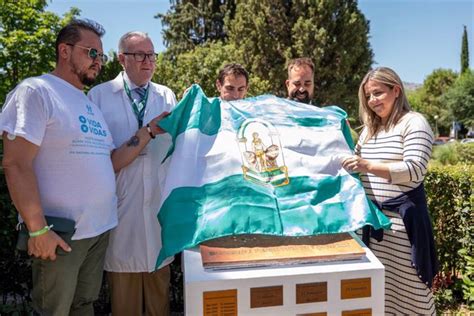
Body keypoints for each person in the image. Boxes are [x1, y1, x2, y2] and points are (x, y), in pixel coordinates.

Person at [0, 19, 117, 315]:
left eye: (101, 56)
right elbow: (15, 163)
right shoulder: (36, 91)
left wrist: (149, 133)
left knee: (83, 306)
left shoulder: (89, 104)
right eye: (92, 53)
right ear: (64, 51)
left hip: (97, 232)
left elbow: (108, 161)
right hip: (60, 236)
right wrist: (37, 230)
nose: (98, 62)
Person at [88, 31, 177, 316]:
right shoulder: (99, 97)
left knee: (159, 304)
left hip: (157, 215)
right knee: (124, 306)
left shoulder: (166, 95)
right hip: (121, 214)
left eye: (151, 55)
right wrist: (147, 131)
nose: (148, 61)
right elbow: (97, 160)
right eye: (140, 55)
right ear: (121, 59)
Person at [342, 67, 437, 315]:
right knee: (380, 296)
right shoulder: (368, 131)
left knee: (412, 294)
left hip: (404, 229)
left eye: (378, 93)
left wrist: (368, 166)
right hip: (374, 228)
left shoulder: (414, 122)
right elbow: (353, 166)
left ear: (396, 90)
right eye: (368, 96)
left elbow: (415, 169)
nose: (373, 101)